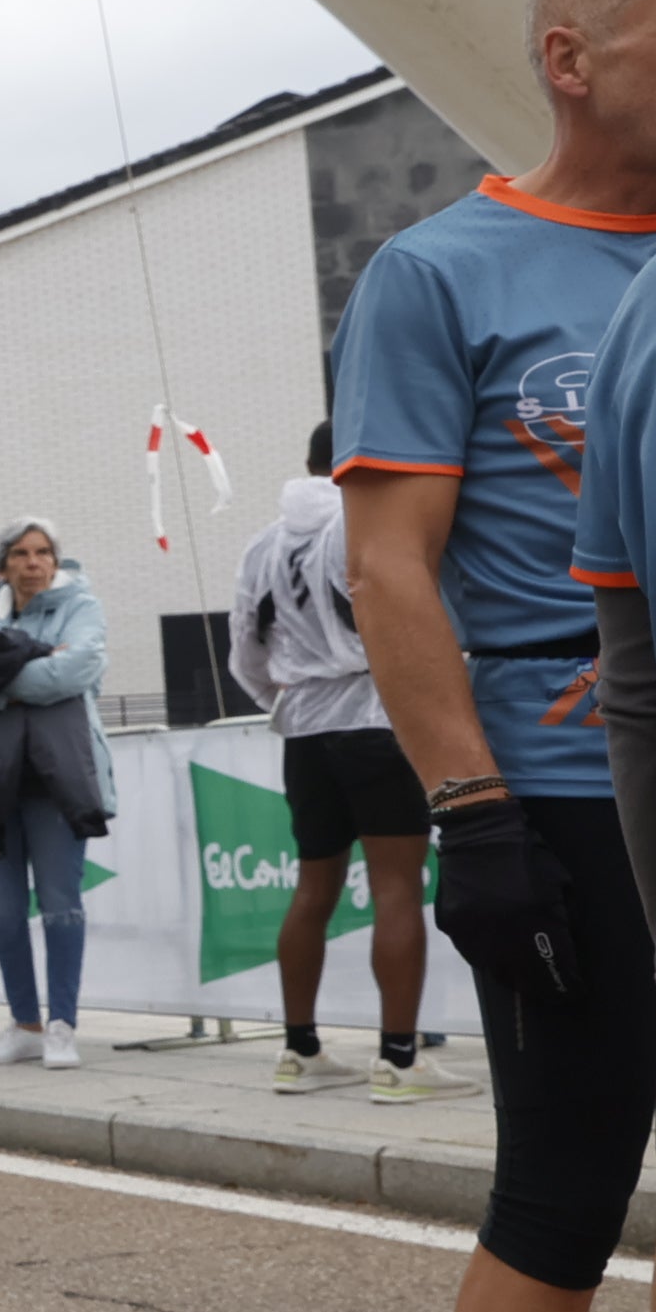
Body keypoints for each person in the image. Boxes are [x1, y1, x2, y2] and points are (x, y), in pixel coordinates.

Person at [340, 0, 656, 1312]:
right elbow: (393, 565)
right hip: (555, 786)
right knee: (560, 1193)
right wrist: (465, 807)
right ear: (569, 54)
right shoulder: (441, 271)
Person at [229, 418, 455, 1100]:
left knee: (313, 886)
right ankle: (398, 1059)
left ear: (306, 462)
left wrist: (289, 694)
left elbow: (245, 648)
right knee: (396, 886)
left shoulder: (262, 543)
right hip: (374, 716)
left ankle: (298, 1050)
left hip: (302, 726)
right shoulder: (368, 525)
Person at [0, 520, 111, 1071]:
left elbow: (74, 670)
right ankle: (24, 1024)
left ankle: (61, 1025)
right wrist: (30, 669)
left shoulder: (81, 606)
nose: (34, 562)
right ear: (2, 565)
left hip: (57, 779)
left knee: (60, 905)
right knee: (2, 911)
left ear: (56, 560)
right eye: (21, 553)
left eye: (44, 552)